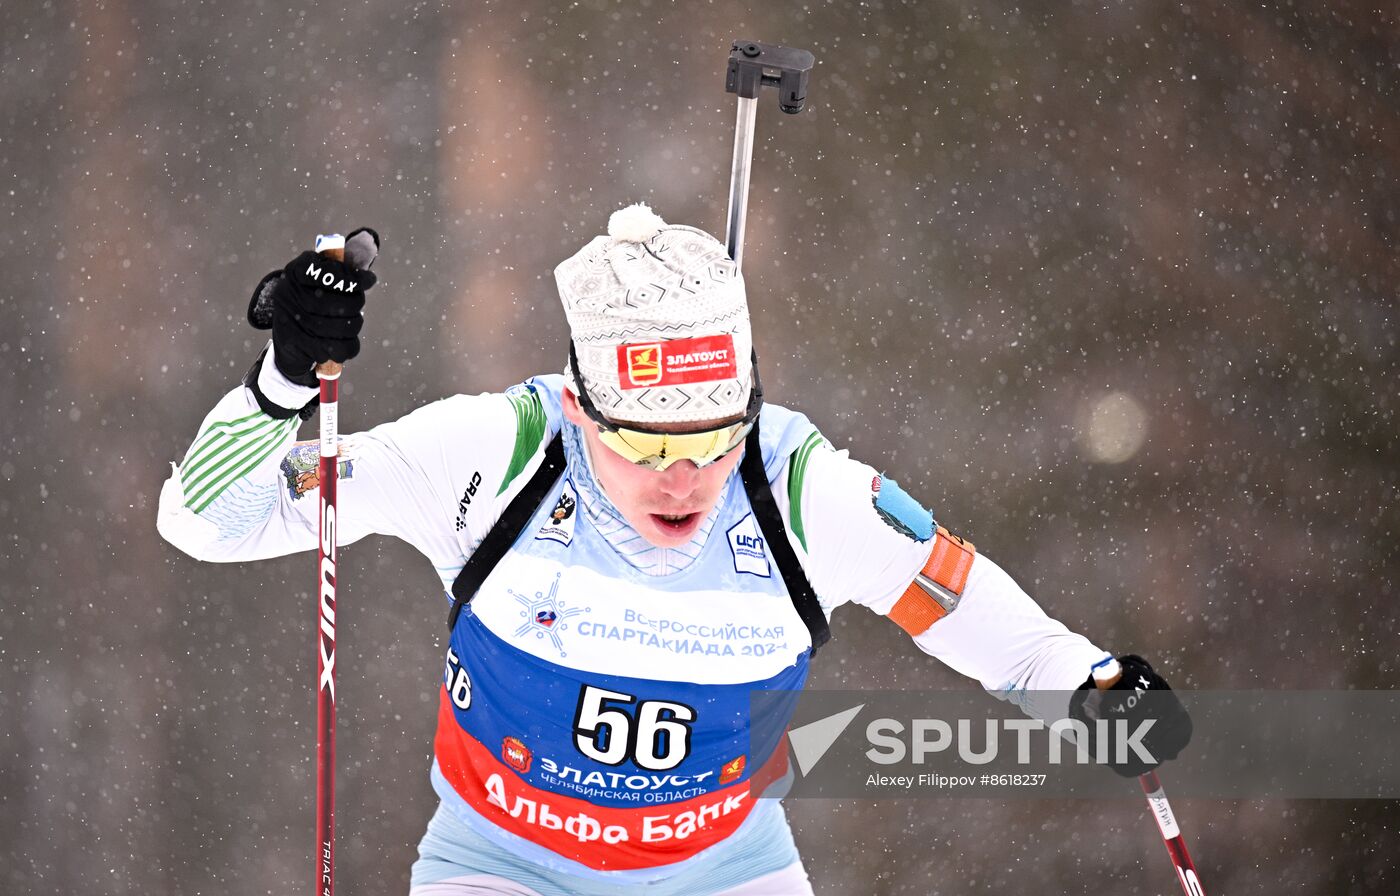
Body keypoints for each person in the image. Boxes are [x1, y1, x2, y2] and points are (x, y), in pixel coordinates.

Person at [157, 204, 1192, 895]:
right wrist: (282, 382)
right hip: (502, 868)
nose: (682, 478)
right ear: (580, 406)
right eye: (645, 442)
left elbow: (1010, 646)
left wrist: (1091, 689)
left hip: (727, 874)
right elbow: (206, 521)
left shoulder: (807, 496)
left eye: (709, 440)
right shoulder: (489, 456)